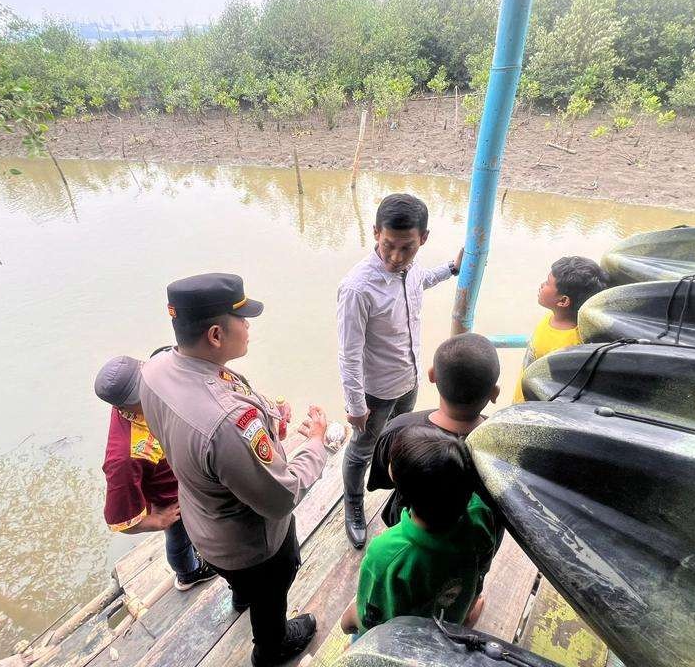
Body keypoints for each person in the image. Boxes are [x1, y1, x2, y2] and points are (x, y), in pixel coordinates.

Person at [140, 273, 330, 667]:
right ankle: (271, 647)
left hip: (201, 522)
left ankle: (243, 594)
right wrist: (316, 443)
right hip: (251, 545)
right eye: (242, 319)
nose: (247, 327)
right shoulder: (228, 423)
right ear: (215, 335)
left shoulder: (155, 370)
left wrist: (268, 415)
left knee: (244, 586)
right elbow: (281, 497)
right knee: (273, 587)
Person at [338, 193, 463, 549]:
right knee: (361, 448)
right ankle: (353, 504)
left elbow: (421, 279)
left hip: (407, 380)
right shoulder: (357, 287)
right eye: (387, 245)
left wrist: (452, 269)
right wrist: (355, 404)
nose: (395, 257)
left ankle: (400, 493)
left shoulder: (412, 268)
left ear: (423, 238)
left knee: (398, 438)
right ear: (375, 232)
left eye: (406, 248)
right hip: (374, 391)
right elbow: (348, 353)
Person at [339, 425, 501, 636]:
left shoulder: (387, 553)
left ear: (403, 486)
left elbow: (371, 619)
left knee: (351, 626)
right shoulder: (481, 514)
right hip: (453, 614)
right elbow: (482, 568)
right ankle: (464, 619)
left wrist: (349, 620)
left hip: (404, 640)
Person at [94, 355, 217, 590]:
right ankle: (188, 573)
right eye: (143, 394)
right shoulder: (124, 456)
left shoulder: (153, 396)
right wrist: (156, 520)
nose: (154, 392)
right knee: (179, 537)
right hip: (172, 499)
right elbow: (119, 519)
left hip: (187, 479)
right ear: (122, 406)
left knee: (198, 527)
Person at [367, 333, 500, 527]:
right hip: (477, 537)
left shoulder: (399, 431)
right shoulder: (502, 442)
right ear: (495, 393)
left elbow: (388, 479)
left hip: (413, 526)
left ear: (431, 376)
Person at [512, 256, 610, 403]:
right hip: (521, 398)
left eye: (547, 283)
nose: (541, 285)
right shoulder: (551, 316)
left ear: (563, 301)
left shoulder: (570, 347)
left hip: (530, 408)